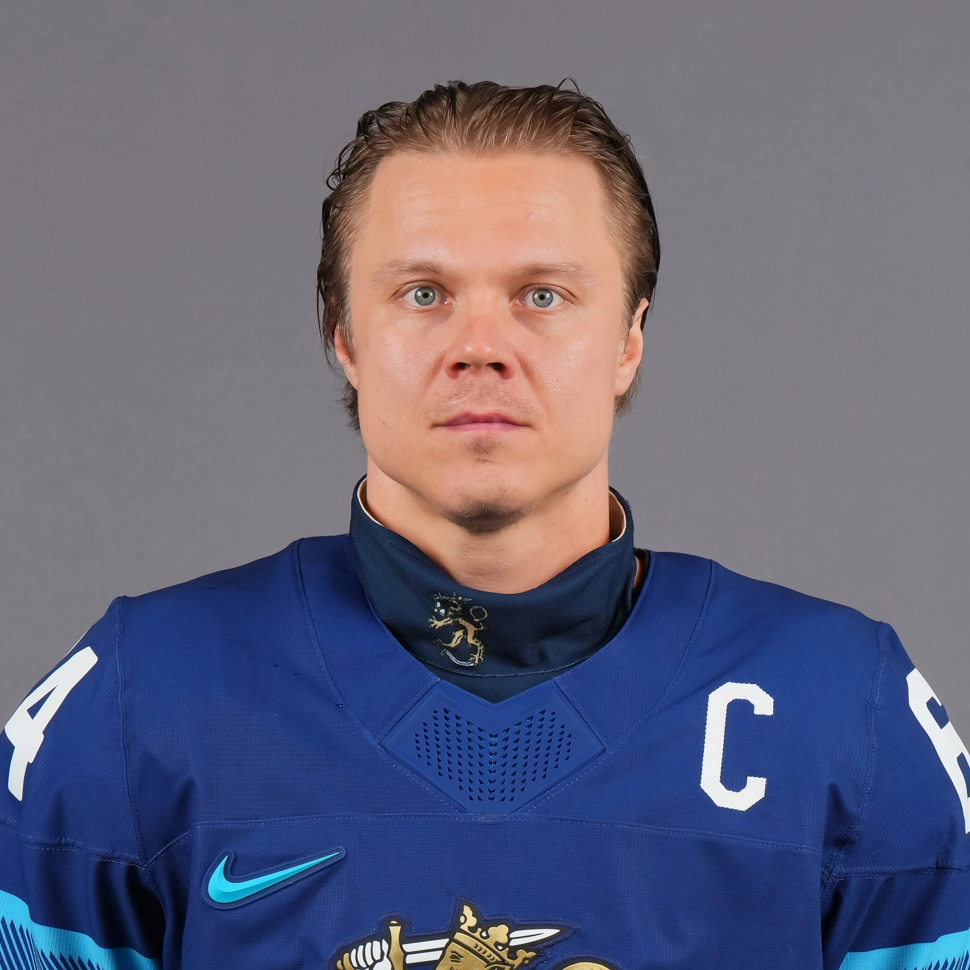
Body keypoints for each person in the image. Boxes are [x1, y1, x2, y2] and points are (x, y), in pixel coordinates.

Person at [1, 79, 967, 970]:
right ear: (344, 336)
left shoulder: (846, 708)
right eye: (423, 294)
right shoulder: (139, 697)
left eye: (542, 295)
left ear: (629, 338)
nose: (480, 348)